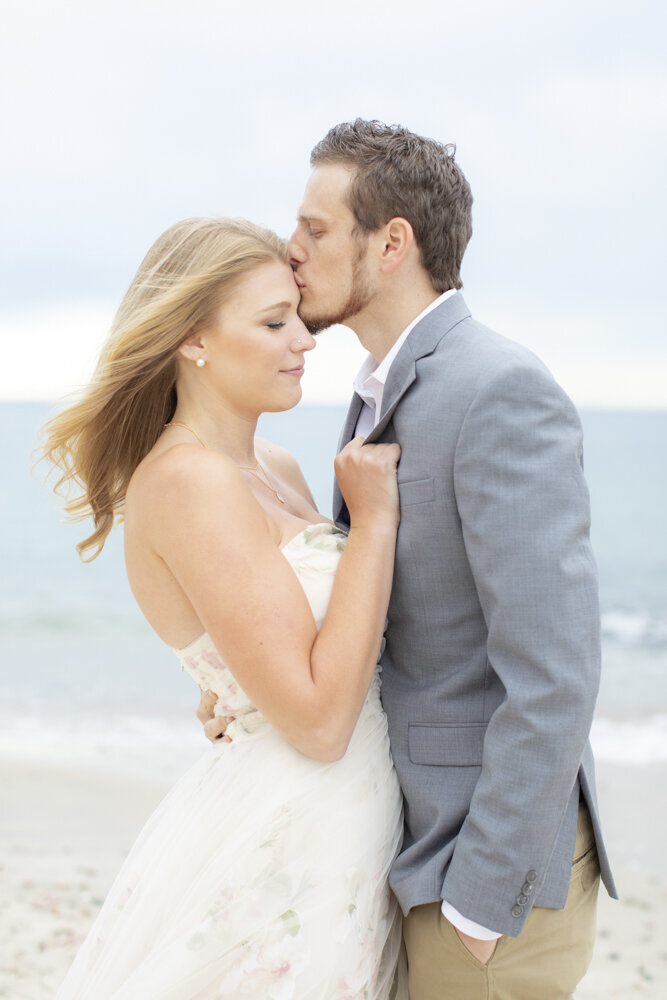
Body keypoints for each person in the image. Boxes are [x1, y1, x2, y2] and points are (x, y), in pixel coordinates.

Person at [202, 120, 618, 999]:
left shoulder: (497, 388)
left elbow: (554, 671)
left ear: (391, 243)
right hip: (407, 850)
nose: (292, 247)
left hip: (483, 879)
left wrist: (478, 902)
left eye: (315, 229)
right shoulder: (379, 392)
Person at [43, 217, 408, 998]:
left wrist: (229, 696)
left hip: (345, 820)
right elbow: (314, 721)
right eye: (273, 323)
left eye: (298, 319)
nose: (304, 341)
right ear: (192, 340)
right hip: (290, 830)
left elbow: (289, 645)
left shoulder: (270, 466)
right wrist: (373, 524)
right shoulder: (188, 482)